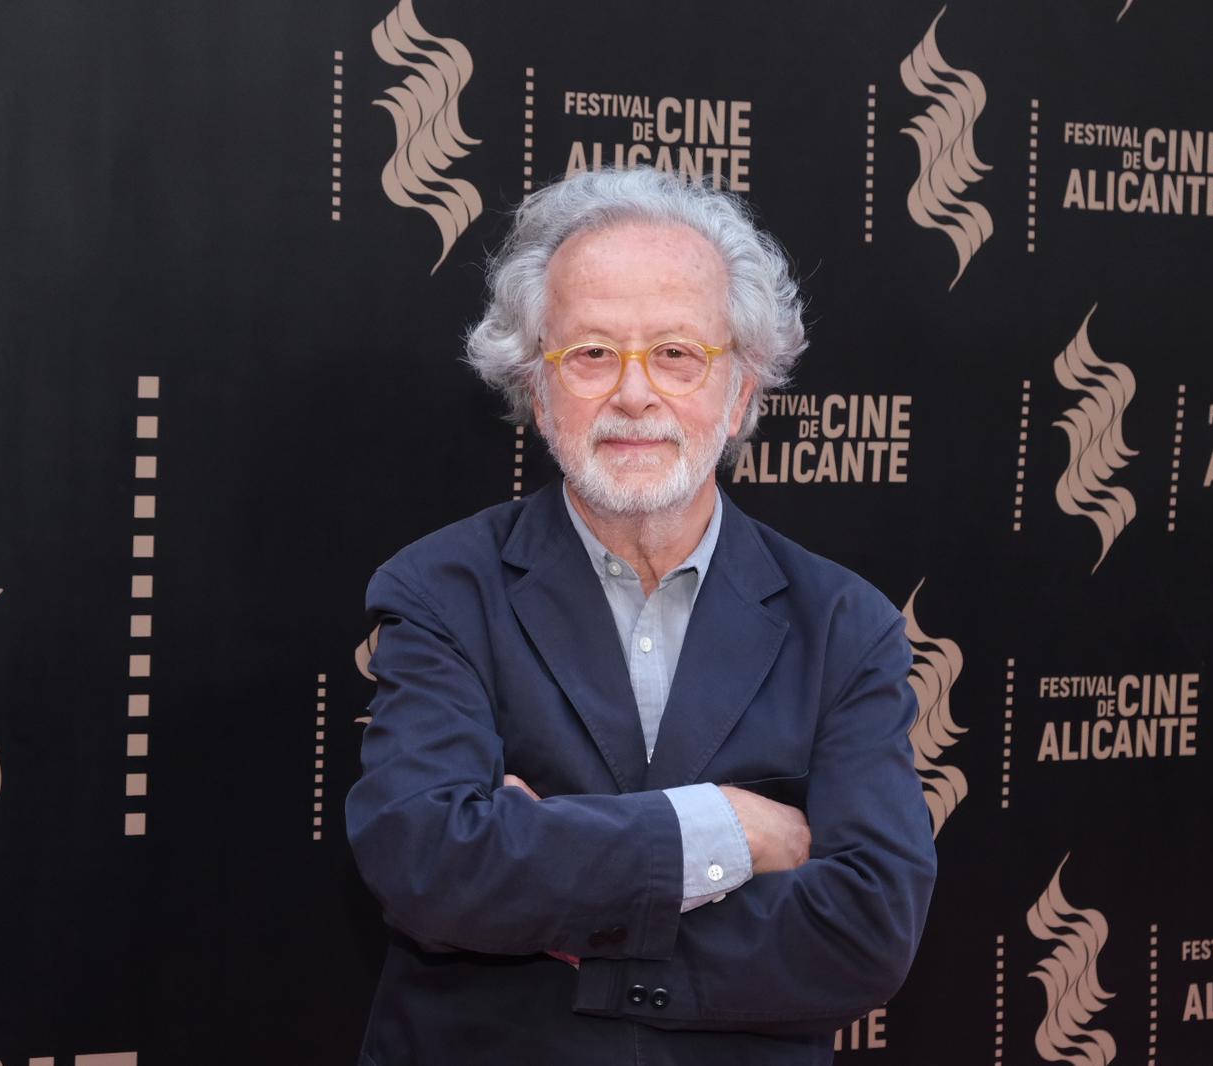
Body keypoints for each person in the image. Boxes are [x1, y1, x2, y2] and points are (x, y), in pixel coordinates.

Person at [346, 167, 936, 1066]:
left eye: (676, 353)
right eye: (589, 353)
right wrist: (728, 833)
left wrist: (567, 907)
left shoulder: (845, 624)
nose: (633, 395)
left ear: (740, 393)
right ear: (536, 393)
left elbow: (866, 930)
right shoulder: (439, 590)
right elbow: (430, 863)